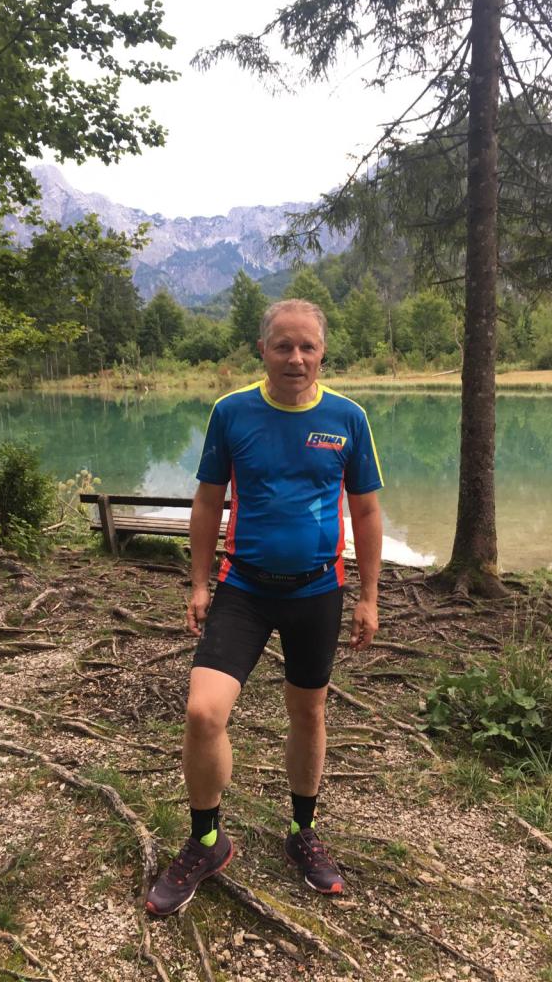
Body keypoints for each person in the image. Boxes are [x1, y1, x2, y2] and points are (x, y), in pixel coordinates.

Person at [145, 298, 383, 916]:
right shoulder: (232, 412)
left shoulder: (347, 418)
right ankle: (207, 841)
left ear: (323, 352)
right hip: (243, 589)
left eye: (307, 346)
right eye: (283, 345)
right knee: (203, 712)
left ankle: (303, 831)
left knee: (308, 713)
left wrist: (369, 596)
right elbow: (207, 501)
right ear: (263, 350)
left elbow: (366, 511)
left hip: (317, 591)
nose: (295, 358)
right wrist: (199, 584)